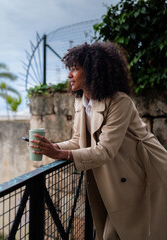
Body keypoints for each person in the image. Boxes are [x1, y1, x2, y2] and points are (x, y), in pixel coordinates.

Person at [29, 41, 167, 240]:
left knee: (136, 231)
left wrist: (59, 154)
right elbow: (78, 141)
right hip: (114, 174)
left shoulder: (120, 102)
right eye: (70, 69)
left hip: (145, 171)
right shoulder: (81, 101)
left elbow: (105, 151)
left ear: (93, 70)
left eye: (75, 69)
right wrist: (51, 147)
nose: (69, 75)